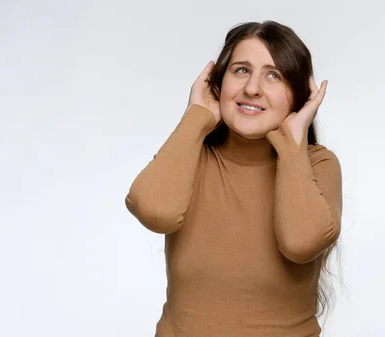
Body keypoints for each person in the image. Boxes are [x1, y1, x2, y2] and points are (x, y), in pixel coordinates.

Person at [125, 20, 343, 337]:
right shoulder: (190, 158)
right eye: (241, 70)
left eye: (274, 75)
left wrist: (293, 147)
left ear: (299, 96)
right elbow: (153, 210)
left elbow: (301, 242)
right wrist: (195, 118)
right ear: (218, 84)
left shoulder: (316, 164)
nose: (252, 88)